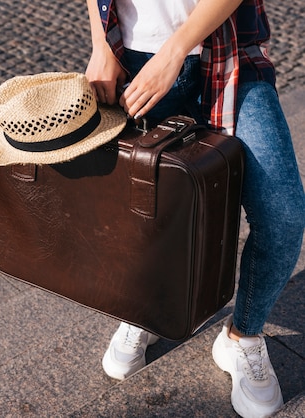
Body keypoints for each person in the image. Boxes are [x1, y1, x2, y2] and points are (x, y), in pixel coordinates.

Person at [85, 0, 305, 417]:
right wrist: (101, 45)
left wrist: (173, 51)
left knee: (283, 215)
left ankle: (242, 337)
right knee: (144, 206)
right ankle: (145, 309)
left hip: (226, 53)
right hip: (130, 57)